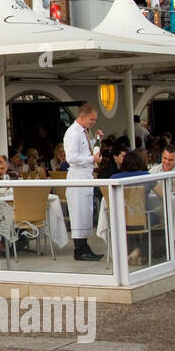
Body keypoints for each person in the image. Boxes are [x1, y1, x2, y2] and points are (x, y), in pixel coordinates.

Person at [64, 102, 103, 261]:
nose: (93, 122)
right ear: (82, 117)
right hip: (78, 176)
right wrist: (91, 159)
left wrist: (96, 140)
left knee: (86, 213)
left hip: (86, 175)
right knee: (79, 213)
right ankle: (79, 249)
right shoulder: (73, 133)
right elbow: (71, 157)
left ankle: (84, 246)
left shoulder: (84, 132)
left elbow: (85, 148)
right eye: (91, 119)